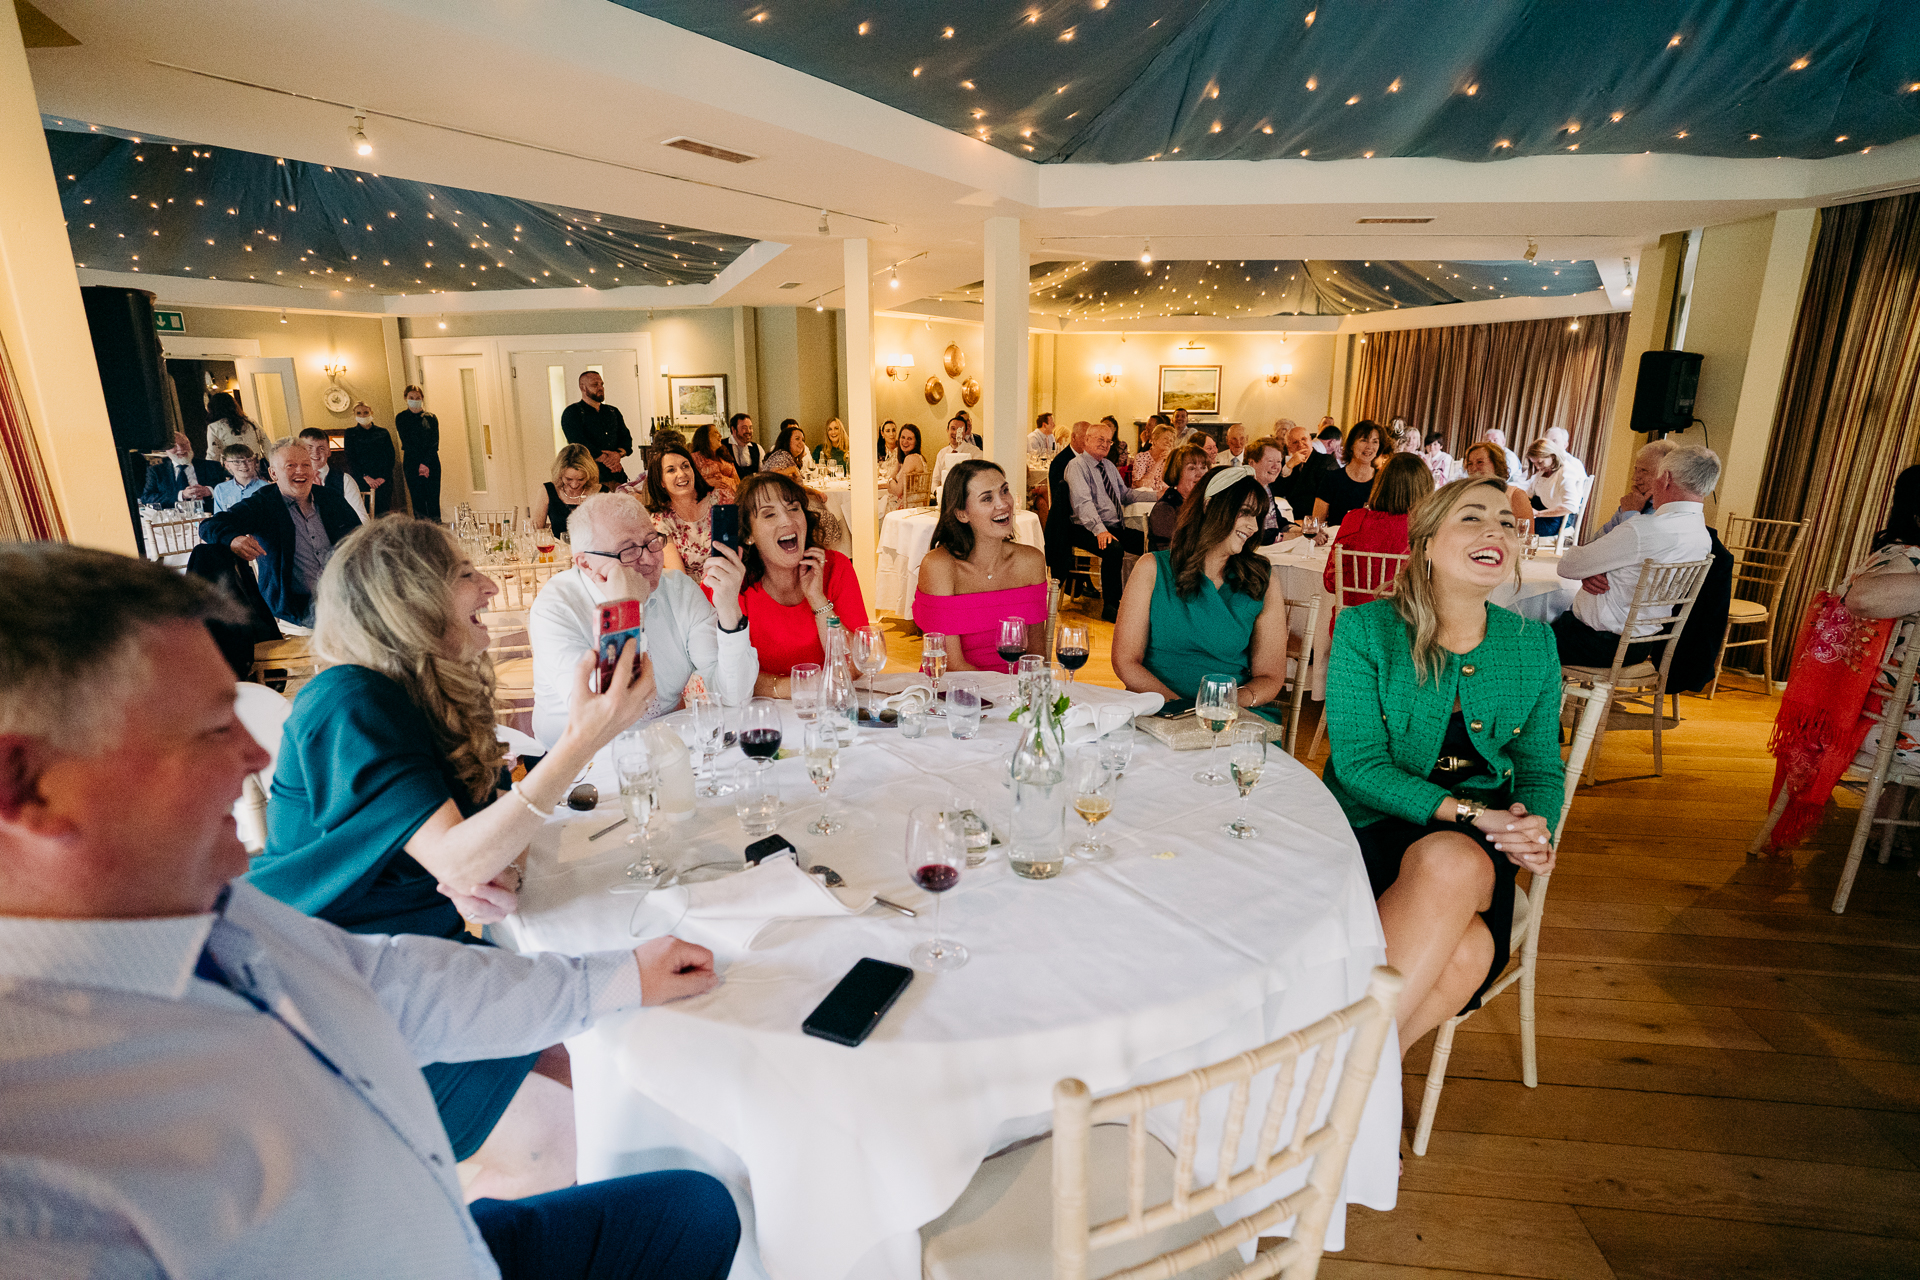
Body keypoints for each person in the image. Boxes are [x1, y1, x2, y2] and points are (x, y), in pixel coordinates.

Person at [0, 543, 740, 1279]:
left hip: (430, 1227)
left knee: (697, 1206)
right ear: (24, 786)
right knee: (576, 1128)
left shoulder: (200, 910)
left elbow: (382, 978)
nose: (259, 759)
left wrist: (615, 979)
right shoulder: (41, 1166)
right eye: (209, 729)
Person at [250, 518, 663, 1189]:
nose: (491, 585)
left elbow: (487, 842)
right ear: (409, 597)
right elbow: (459, 857)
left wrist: (496, 868)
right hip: (332, 993)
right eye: (465, 574)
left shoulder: (427, 694)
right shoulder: (347, 699)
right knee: (566, 1121)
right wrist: (584, 740)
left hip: (423, 963)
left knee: (597, 1054)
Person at [1324, 475, 1563, 1056]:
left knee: (1451, 860)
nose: (1495, 530)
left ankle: (1337, 1078)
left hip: (1480, 846)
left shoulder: (1533, 644)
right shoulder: (1366, 629)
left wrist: (1536, 826)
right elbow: (1358, 767)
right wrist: (1478, 814)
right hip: (1374, 822)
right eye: (1472, 518)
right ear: (1427, 543)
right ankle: (1371, 1092)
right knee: (1469, 951)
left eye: (1506, 522)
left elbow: (1538, 770)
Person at [531, 493, 757, 746]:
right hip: (580, 763)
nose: (649, 559)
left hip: (668, 743)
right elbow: (610, 714)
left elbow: (733, 695)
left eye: (652, 541)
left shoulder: (677, 589)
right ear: (585, 563)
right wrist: (627, 612)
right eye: (628, 551)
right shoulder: (556, 608)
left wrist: (728, 607)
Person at [1113, 466, 1292, 722]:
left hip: (1229, 716)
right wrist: (1182, 710)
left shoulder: (1262, 578)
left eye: (1258, 516)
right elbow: (1125, 661)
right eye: (1245, 513)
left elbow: (1270, 676)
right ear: (1209, 505)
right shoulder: (1152, 568)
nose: (1253, 526)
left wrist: (1224, 706)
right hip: (1157, 709)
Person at [1549, 445, 1718, 667]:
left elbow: (1567, 566)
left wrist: (1588, 566)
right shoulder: (1702, 536)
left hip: (1592, 643)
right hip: (1640, 646)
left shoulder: (1644, 528)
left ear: (1665, 478)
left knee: (1512, 635)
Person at [721, 472, 869, 693]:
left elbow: (856, 665)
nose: (787, 520)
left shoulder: (835, 567)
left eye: (793, 508)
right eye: (769, 515)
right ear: (749, 534)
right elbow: (722, 676)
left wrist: (818, 600)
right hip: (759, 716)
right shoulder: (732, 585)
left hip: (828, 706)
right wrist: (789, 688)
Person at [202, 439, 362, 627]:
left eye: (305, 465)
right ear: (273, 473)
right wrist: (233, 539)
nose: (300, 471)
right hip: (300, 604)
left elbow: (360, 536)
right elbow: (209, 525)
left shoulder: (330, 499)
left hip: (345, 595)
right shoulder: (263, 505)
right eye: (291, 466)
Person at [912, 460, 1049, 673]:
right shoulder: (939, 567)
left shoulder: (1031, 561)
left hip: (1015, 695)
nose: (1003, 504)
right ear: (961, 514)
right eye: (987, 498)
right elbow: (953, 666)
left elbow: (1036, 657)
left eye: (1004, 491)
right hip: (956, 695)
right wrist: (1002, 698)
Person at [1066, 418, 1161, 623]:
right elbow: (1083, 503)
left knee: (1150, 541)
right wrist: (1100, 530)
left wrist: (1157, 496)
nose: (1105, 444)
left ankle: (1151, 599)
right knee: (1113, 548)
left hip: (1113, 525)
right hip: (1083, 527)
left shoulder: (1108, 466)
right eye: (1100, 439)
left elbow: (1126, 495)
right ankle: (1111, 606)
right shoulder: (1077, 466)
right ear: (1087, 440)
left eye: (1109, 441)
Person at [1323, 452, 1435, 604]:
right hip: (1404, 624)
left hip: (1352, 623)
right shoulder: (1424, 529)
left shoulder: (1354, 519)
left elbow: (1331, 583)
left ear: (1380, 483)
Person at [646, 440, 734, 579]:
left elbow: (738, 551)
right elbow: (678, 577)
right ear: (661, 481)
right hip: (693, 594)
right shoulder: (661, 520)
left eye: (685, 466)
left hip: (731, 582)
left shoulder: (721, 499)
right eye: (671, 470)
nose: (681, 474)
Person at [560, 370, 632, 488]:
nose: (600, 388)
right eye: (595, 385)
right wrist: (606, 460)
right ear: (583, 388)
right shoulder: (573, 413)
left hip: (617, 476)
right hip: (588, 478)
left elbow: (626, 439)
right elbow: (578, 443)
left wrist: (617, 455)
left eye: (601, 384)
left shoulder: (612, 411)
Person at [1313, 419, 1386, 527]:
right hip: (1337, 541)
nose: (1369, 446)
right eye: (1364, 440)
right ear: (1351, 445)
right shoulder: (1332, 478)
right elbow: (1317, 523)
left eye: (1375, 441)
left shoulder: (1383, 481)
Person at [1598, 438, 1677, 536]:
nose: (1634, 478)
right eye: (1636, 469)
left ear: (1666, 476)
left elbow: (1632, 545)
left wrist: (1630, 512)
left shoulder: (1668, 513)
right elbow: (1600, 538)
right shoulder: (1633, 501)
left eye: (1644, 471)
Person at [1044, 419, 1089, 584]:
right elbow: (1060, 501)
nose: (1088, 442)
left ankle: (1084, 578)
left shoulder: (1088, 460)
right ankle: (1079, 579)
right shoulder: (1062, 462)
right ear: (1074, 437)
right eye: (1085, 438)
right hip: (1066, 521)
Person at [298, 426, 369, 524]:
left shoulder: (345, 480)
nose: (315, 452)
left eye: (321, 448)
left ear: (329, 452)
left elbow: (362, 518)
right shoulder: (294, 481)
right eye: (309, 447)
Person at [532, 443, 601, 541]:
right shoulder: (547, 491)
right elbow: (536, 531)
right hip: (559, 553)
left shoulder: (601, 492)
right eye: (568, 479)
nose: (574, 485)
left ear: (589, 475)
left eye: (581, 479)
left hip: (593, 553)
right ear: (560, 474)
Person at [1147, 443, 1208, 551]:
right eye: (1192, 468)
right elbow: (1171, 554)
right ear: (1176, 472)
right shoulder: (1165, 509)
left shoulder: (1205, 503)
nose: (1200, 474)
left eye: (1203, 467)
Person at [342, 401, 399, 516]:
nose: (363, 415)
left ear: (371, 413)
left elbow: (391, 456)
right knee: (365, 512)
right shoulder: (350, 433)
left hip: (383, 480)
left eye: (366, 412)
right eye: (359, 413)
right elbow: (350, 458)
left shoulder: (383, 432)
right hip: (362, 480)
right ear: (355, 415)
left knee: (384, 512)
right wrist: (366, 477)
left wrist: (382, 477)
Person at [395, 383, 443, 521]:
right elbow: (407, 442)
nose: (415, 400)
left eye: (417, 397)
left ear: (422, 398)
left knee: (433, 499)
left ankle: (436, 532)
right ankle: (421, 536)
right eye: (411, 397)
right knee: (418, 501)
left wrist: (425, 463)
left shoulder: (431, 417)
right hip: (412, 463)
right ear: (406, 398)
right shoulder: (401, 418)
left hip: (431, 462)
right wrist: (420, 464)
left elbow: (434, 442)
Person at [1461, 441, 1533, 532]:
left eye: (1480, 462)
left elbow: (1526, 536)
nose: (1474, 468)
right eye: (1470, 464)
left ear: (1496, 464)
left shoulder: (1514, 495)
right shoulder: (1465, 495)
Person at [140, 430, 223, 506]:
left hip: (210, 515)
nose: (181, 449)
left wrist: (209, 491)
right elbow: (147, 498)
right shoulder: (156, 471)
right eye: (174, 446)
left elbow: (229, 487)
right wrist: (181, 495)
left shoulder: (212, 466)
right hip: (174, 518)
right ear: (165, 450)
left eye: (184, 444)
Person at [1271, 420, 1335, 519]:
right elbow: (1277, 491)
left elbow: (1321, 494)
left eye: (1303, 439)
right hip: (1289, 517)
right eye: (1295, 442)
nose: (1300, 445)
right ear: (1290, 447)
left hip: (1313, 518)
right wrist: (1289, 466)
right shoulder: (1288, 464)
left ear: (1310, 440)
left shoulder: (1325, 461)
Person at [1525, 438, 1586, 539]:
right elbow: (1529, 494)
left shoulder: (1566, 472)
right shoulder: (1543, 472)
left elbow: (1570, 506)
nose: (1538, 467)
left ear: (1552, 456)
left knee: (1513, 527)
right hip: (1540, 515)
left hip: (1552, 521)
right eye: (1534, 464)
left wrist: (1538, 513)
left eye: (1540, 462)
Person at [1246, 437, 1295, 541]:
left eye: (1278, 461)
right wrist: (1298, 536)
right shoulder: (1246, 491)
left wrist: (1303, 530)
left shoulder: (1266, 486)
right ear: (1251, 463)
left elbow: (1278, 521)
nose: (1276, 467)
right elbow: (1255, 534)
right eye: (1270, 461)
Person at [203, 389, 270, 461]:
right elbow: (267, 445)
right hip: (256, 465)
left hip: (233, 469)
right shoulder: (251, 422)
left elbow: (213, 455)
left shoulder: (214, 428)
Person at [931, 414, 984, 494]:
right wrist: (938, 493)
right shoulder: (942, 453)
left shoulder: (975, 452)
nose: (955, 433)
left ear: (965, 432)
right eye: (953, 429)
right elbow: (935, 481)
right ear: (947, 430)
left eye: (960, 429)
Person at [884, 422, 930, 512]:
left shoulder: (911, 459)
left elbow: (898, 491)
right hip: (909, 506)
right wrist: (891, 482)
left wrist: (890, 481)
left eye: (910, 439)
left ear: (916, 441)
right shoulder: (905, 459)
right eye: (903, 437)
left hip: (909, 509)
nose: (905, 442)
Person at [211, 442, 268, 512]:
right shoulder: (220, 490)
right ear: (227, 465)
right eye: (237, 462)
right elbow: (218, 520)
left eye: (248, 460)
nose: (244, 465)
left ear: (254, 462)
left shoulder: (266, 488)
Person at [690, 422, 741, 490]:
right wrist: (706, 483)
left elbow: (737, 482)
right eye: (716, 432)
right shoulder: (694, 458)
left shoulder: (725, 456)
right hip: (709, 498)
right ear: (705, 437)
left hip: (732, 497)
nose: (720, 435)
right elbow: (689, 483)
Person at [1132, 421, 1175, 486]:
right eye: (1166, 438)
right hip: (1145, 495)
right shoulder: (1141, 457)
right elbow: (1140, 485)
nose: (1169, 442)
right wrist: (1159, 461)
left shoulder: (1172, 459)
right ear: (1155, 439)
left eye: (1171, 440)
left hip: (1165, 495)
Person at [725, 411, 762, 478]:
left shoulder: (757, 448)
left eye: (750, 427)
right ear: (733, 430)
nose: (748, 431)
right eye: (744, 428)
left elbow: (763, 472)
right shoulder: (722, 446)